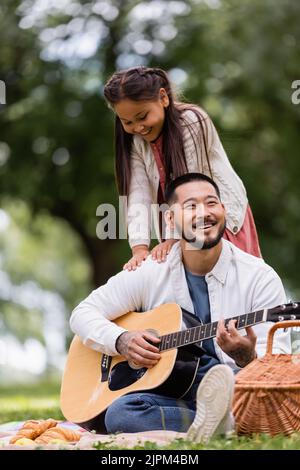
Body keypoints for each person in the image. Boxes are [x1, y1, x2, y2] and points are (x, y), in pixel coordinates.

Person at [70, 173, 290, 441]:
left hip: (234, 386)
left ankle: (217, 418)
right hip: (170, 389)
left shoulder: (259, 276)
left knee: (239, 387)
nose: (204, 213)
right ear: (171, 220)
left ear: (223, 210)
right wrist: (122, 340)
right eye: (191, 206)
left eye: (211, 203)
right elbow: (83, 313)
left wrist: (248, 359)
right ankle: (223, 423)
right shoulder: (151, 271)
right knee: (121, 413)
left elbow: (277, 363)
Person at [103, 66, 261, 272]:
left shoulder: (192, 121)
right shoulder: (135, 141)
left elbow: (191, 189)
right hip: (180, 231)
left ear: (163, 98)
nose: (138, 127)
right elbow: (138, 193)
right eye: (127, 122)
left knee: (235, 284)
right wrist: (139, 248)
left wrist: (174, 238)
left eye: (142, 117)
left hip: (218, 222)